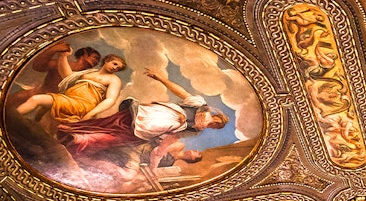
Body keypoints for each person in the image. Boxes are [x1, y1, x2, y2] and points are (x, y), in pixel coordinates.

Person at [55, 67, 229, 157]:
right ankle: (73, 131)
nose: (211, 126)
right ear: (216, 117)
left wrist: (161, 148)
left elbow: (173, 136)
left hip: (152, 127)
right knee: (110, 124)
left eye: (214, 127)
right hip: (152, 114)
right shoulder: (200, 105)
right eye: (215, 124)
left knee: (116, 137)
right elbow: (180, 91)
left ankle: (80, 139)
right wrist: (160, 78)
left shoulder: (194, 129)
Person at [15, 53, 126, 122]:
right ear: (107, 61)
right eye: (115, 64)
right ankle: (11, 120)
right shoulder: (90, 73)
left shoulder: (114, 79)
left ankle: (10, 120)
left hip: (82, 105)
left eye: (118, 68)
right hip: (69, 100)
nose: (115, 68)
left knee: (37, 99)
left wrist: (91, 113)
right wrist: (63, 56)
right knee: (38, 103)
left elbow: (110, 100)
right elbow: (67, 76)